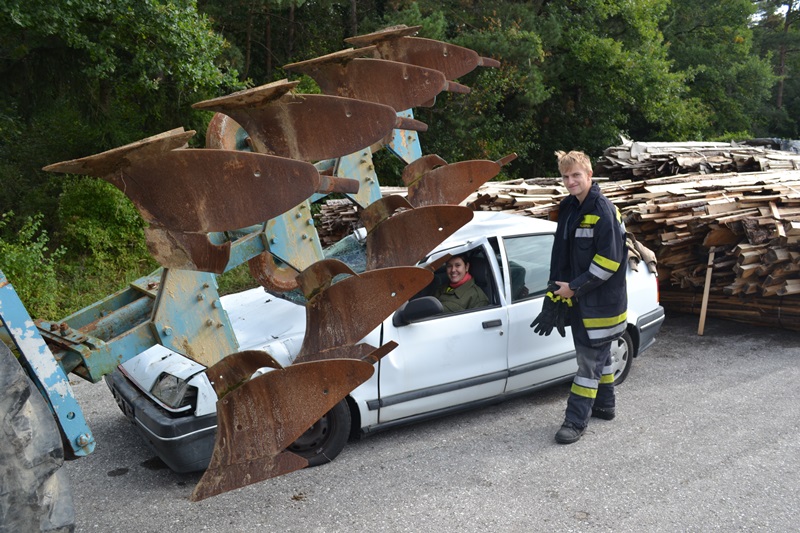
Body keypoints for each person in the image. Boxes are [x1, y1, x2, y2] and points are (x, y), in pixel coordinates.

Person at [547, 150, 628, 444]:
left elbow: (608, 263)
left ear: (590, 175)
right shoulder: (570, 208)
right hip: (580, 300)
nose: (570, 182)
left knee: (587, 364)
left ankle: (575, 421)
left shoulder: (603, 211)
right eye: (566, 177)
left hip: (601, 305)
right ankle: (605, 406)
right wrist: (553, 292)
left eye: (576, 175)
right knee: (600, 356)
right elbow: (562, 254)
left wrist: (574, 288)